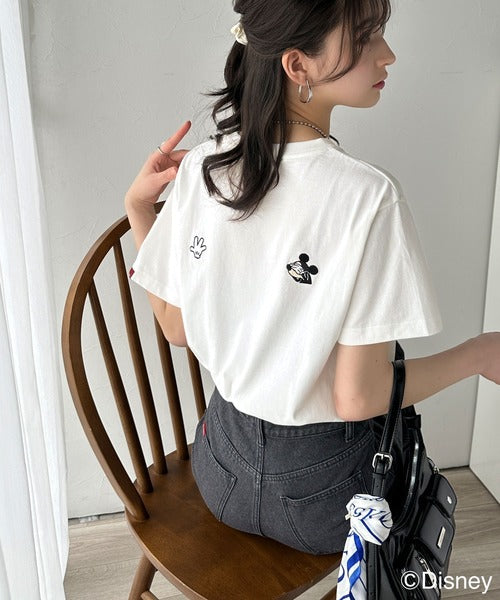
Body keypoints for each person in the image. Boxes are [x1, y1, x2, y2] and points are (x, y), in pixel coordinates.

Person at [125, 0, 500, 556]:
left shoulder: (206, 164)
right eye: (366, 37)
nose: (388, 55)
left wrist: (139, 211)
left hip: (220, 472)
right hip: (326, 500)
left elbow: (176, 328)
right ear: (297, 65)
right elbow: (358, 397)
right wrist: (480, 354)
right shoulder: (368, 197)